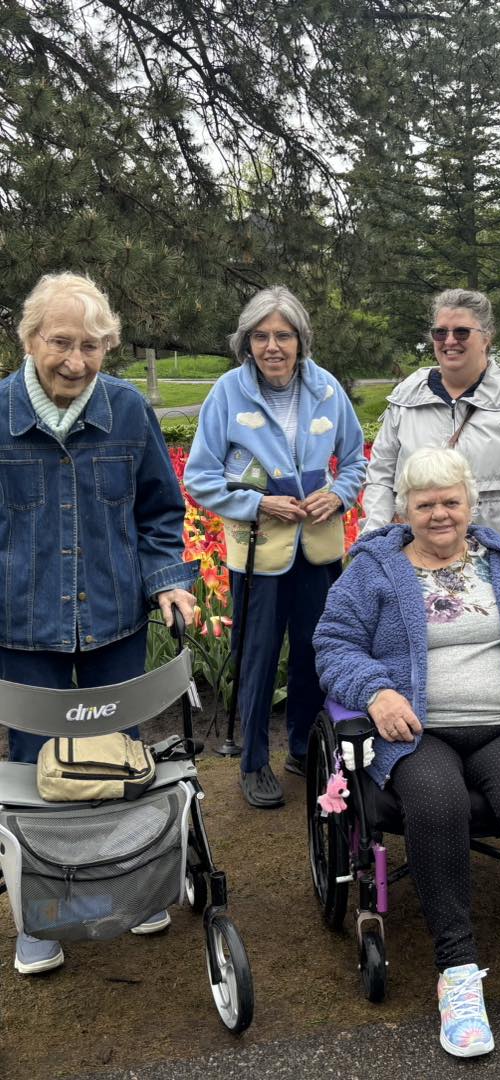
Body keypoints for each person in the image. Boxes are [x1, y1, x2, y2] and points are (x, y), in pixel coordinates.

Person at [314, 447, 500, 1058]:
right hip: (417, 733)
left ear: (471, 504)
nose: (440, 514)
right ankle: (458, 974)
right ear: (404, 509)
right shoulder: (372, 569)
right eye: (426, 503)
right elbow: (333, 644)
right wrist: (378, 692)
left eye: (451, 501)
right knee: (437, 803)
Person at [1, 272, 198, 974]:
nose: (75, 362)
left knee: (117, 758)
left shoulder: (125, 411)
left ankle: (135, 883)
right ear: (29, 339)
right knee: (31, 772)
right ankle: (41, 915)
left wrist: (171, 584)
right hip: (20, 631)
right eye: (60, 342)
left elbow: (159, 515)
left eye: (91, 346)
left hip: (114, 619)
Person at [184, 286, 365, 809]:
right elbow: (200, 477)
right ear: (247, 343)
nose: (272, 346)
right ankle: (254, 761)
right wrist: (258, 504)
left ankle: (305, 748)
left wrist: (338, 493)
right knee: (257, 658)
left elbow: (354, 461)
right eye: (261, 336)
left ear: (300, 340)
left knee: (316, 651)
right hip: (259, 552)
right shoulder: (227, 393)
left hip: (318, 550)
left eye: (283, 335)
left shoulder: (328, 389)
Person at [362, 288, 500, 558]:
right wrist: (377, 543)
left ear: (486, 338)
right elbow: (380, 476)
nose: (449, 341)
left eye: (461, 332)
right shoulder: (406, 397)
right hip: (416, 561)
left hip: (494, 558)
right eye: (440, 332)